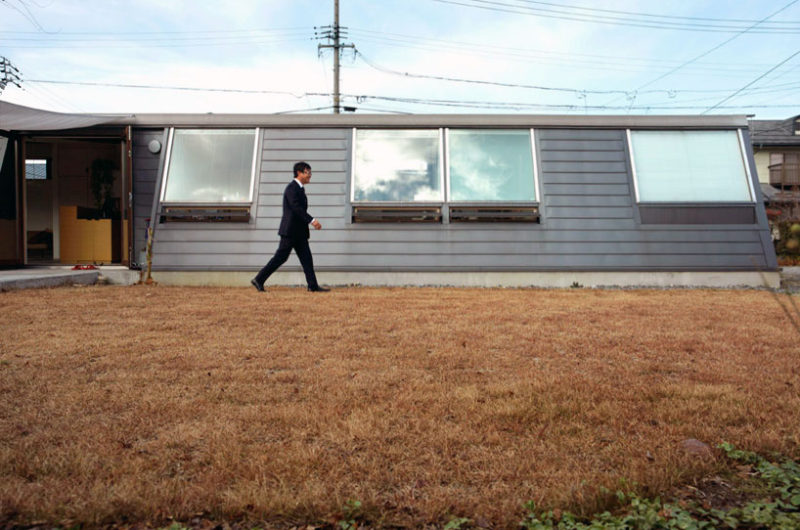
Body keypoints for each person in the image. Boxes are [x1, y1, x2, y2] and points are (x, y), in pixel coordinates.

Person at [251, 161, 329, 292]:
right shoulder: (291, 188)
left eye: (310, 172)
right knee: (280, 257)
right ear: (299, 173)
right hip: (290, 231)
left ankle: (312, 286)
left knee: (307, 259)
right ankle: (259, 279)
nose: (310, 175)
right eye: (307, 172)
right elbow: (296, 208)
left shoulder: (299, 189)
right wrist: (312, 220)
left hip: (300, 233)